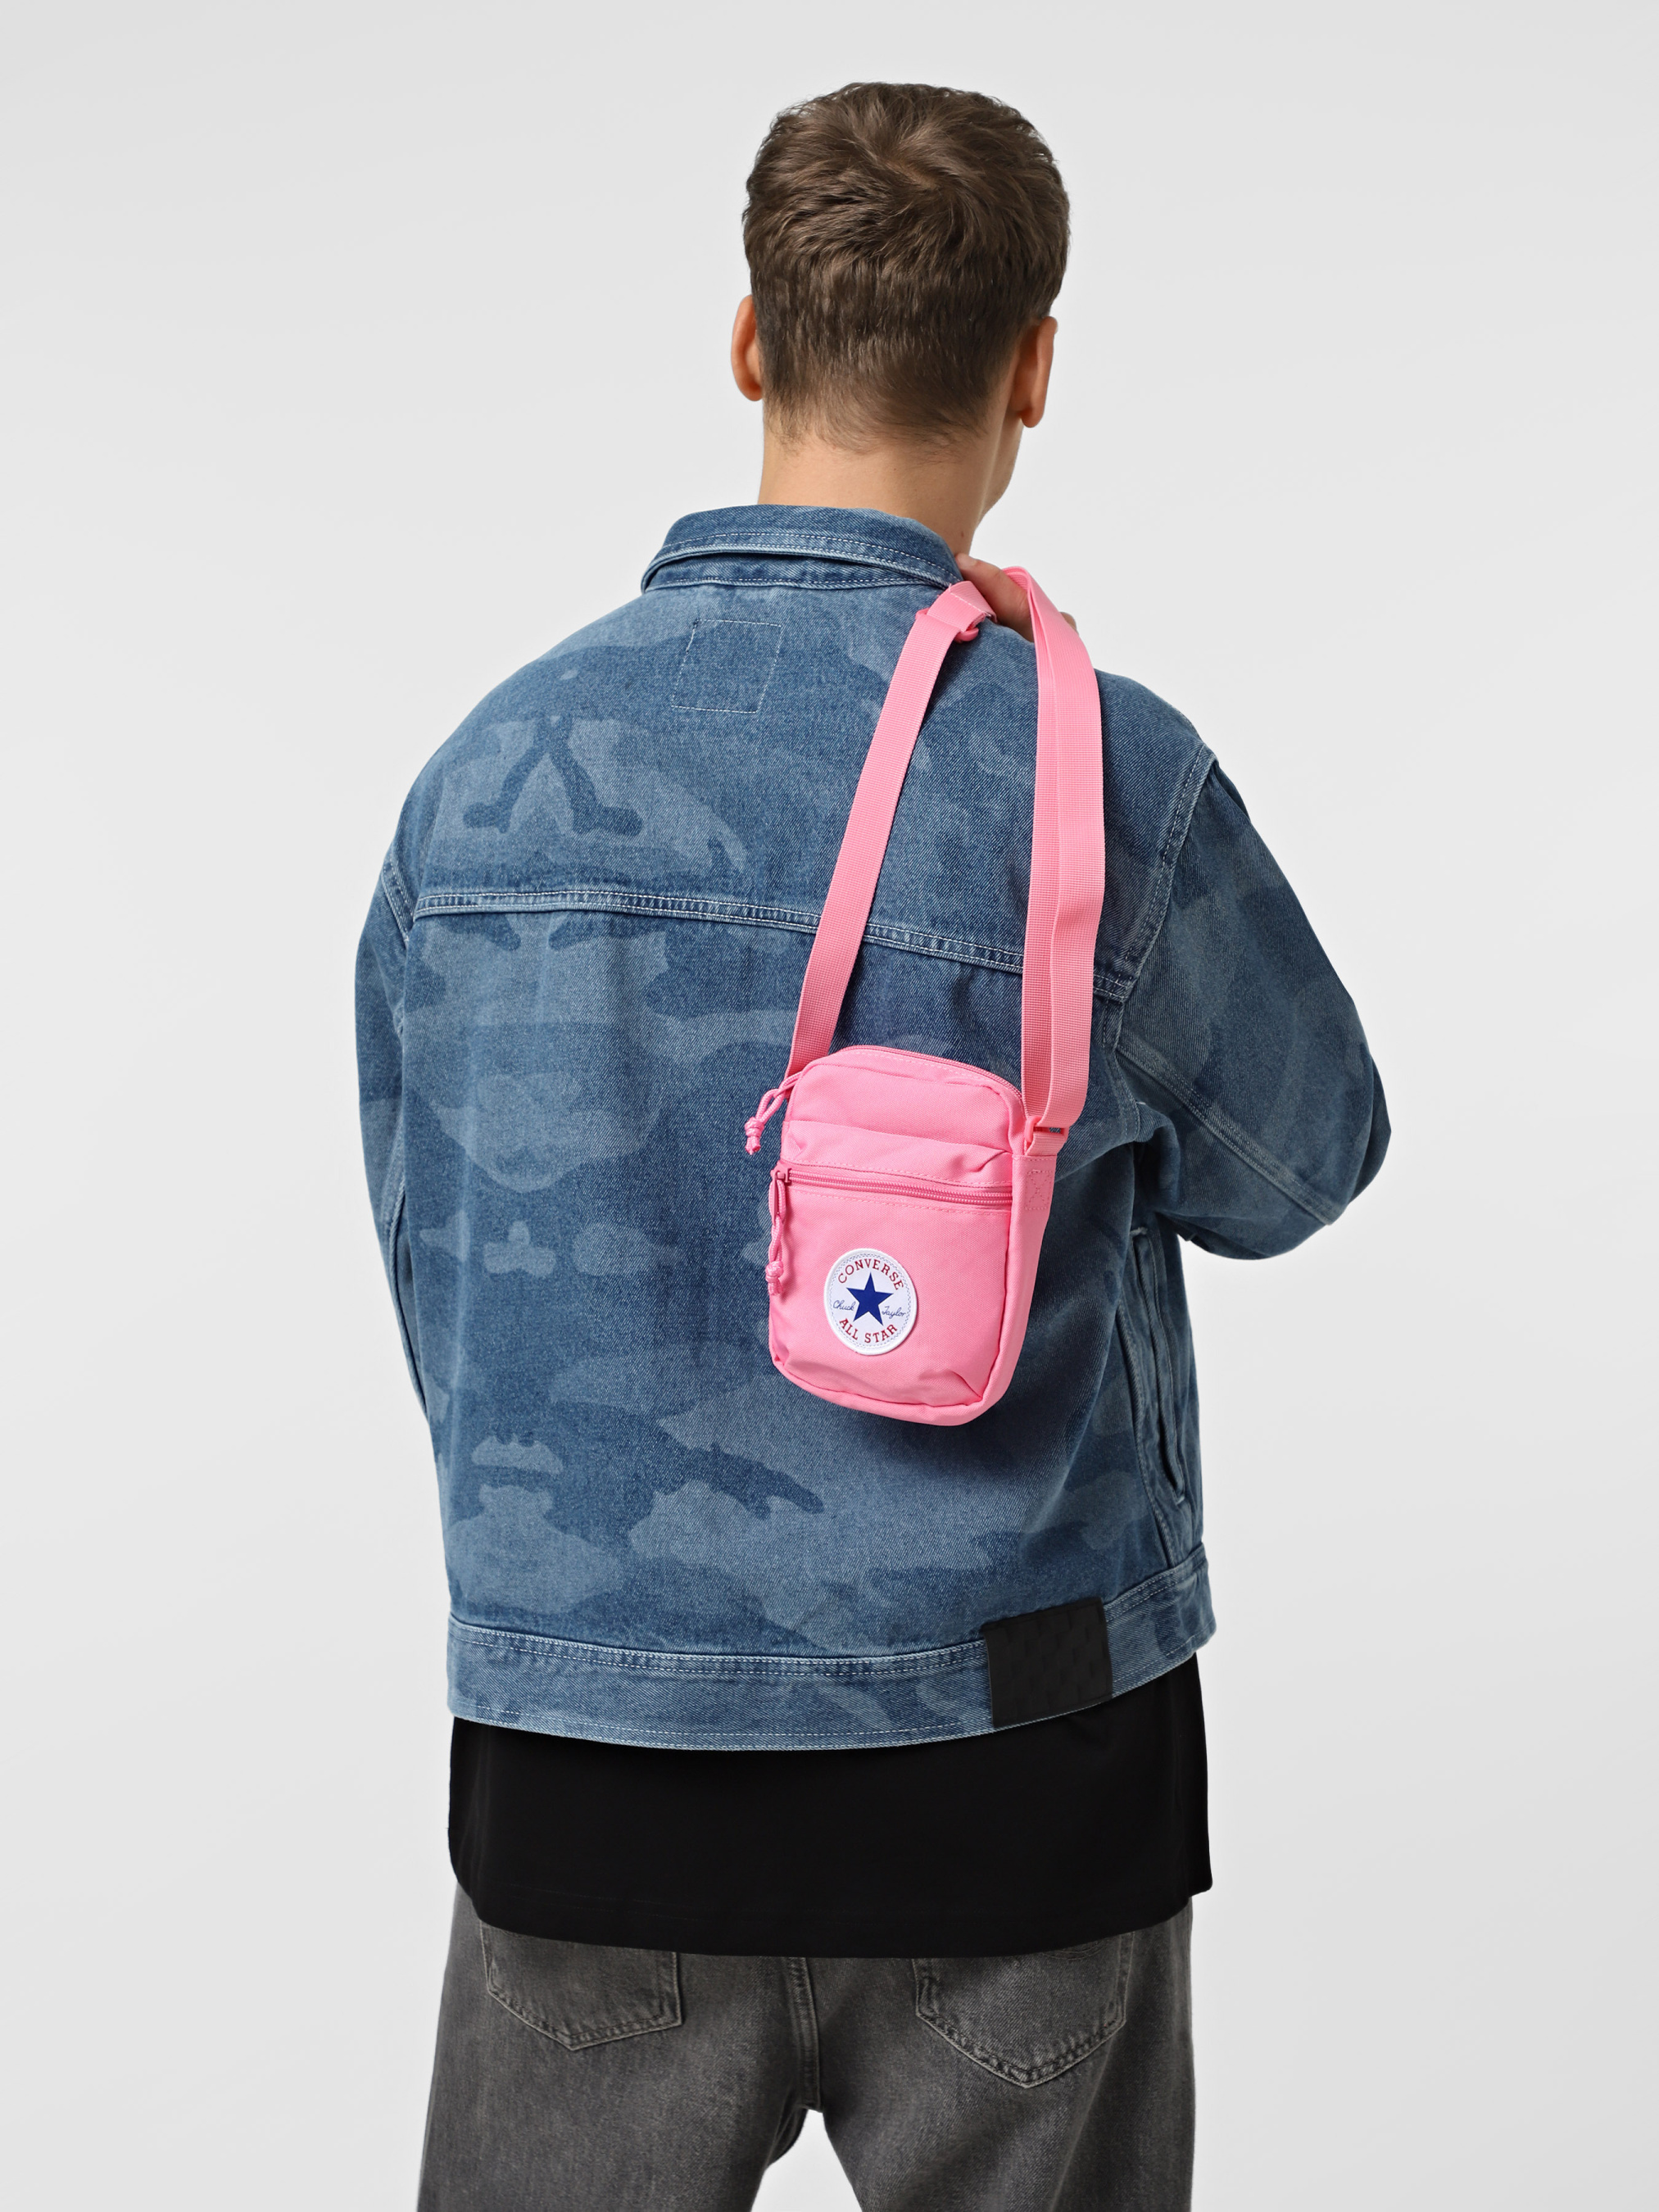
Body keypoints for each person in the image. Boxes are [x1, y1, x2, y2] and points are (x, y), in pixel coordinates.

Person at [356, 80, 1388, 2212]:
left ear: (751, 340)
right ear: (1033, 367)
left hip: (590, 1771)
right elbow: (1304, 1161)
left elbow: (435, 1248)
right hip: (1022, 1770)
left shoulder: (488, 782)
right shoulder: (1100, 772)